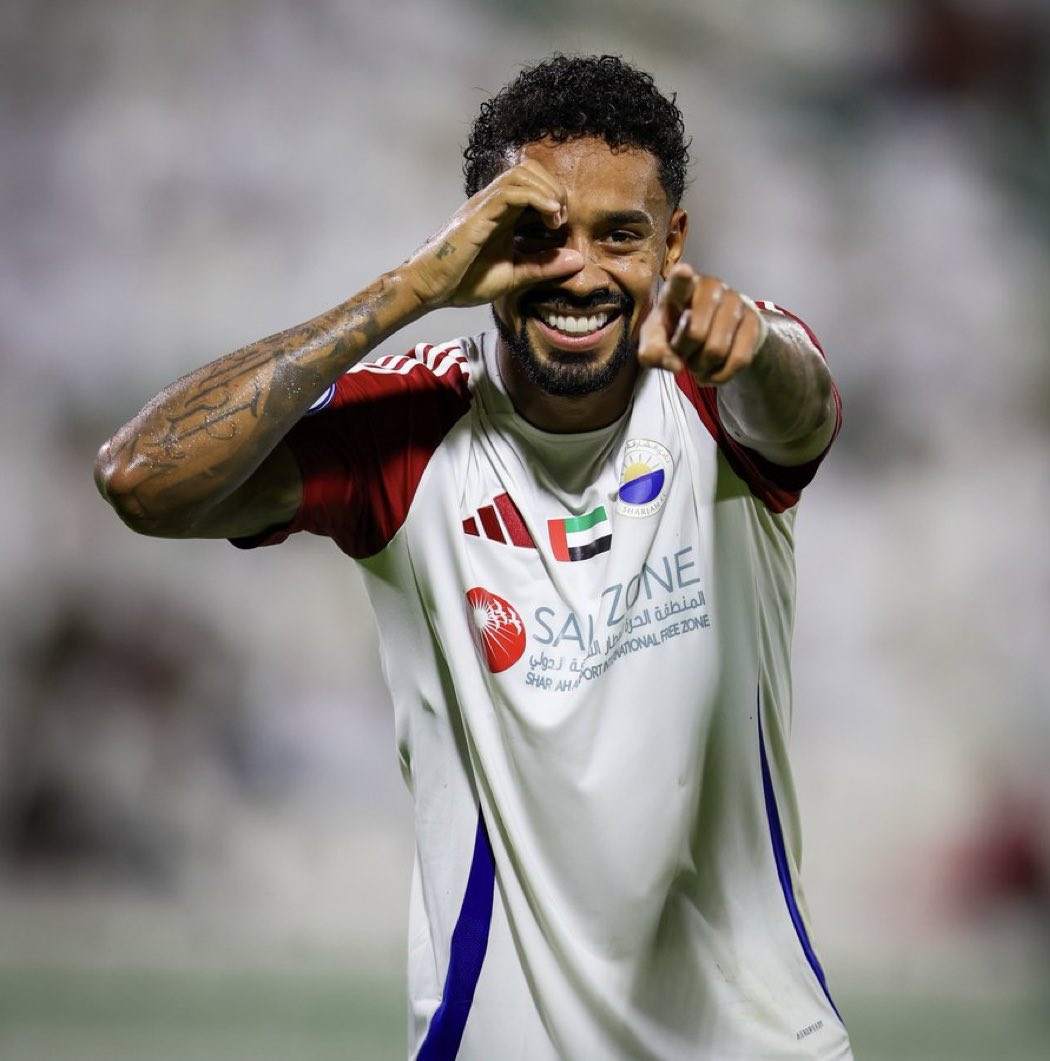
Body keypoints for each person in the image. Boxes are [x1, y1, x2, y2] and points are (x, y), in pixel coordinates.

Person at [95, 54, 851, 1061]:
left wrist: (751, 344)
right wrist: (410, 287)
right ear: (475, 237)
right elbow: (141, 479)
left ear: (671, 242)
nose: (578, 271)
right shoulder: (410, 427)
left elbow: (798, 408)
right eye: (537, 235)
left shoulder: (723, 380)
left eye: (618, 235)